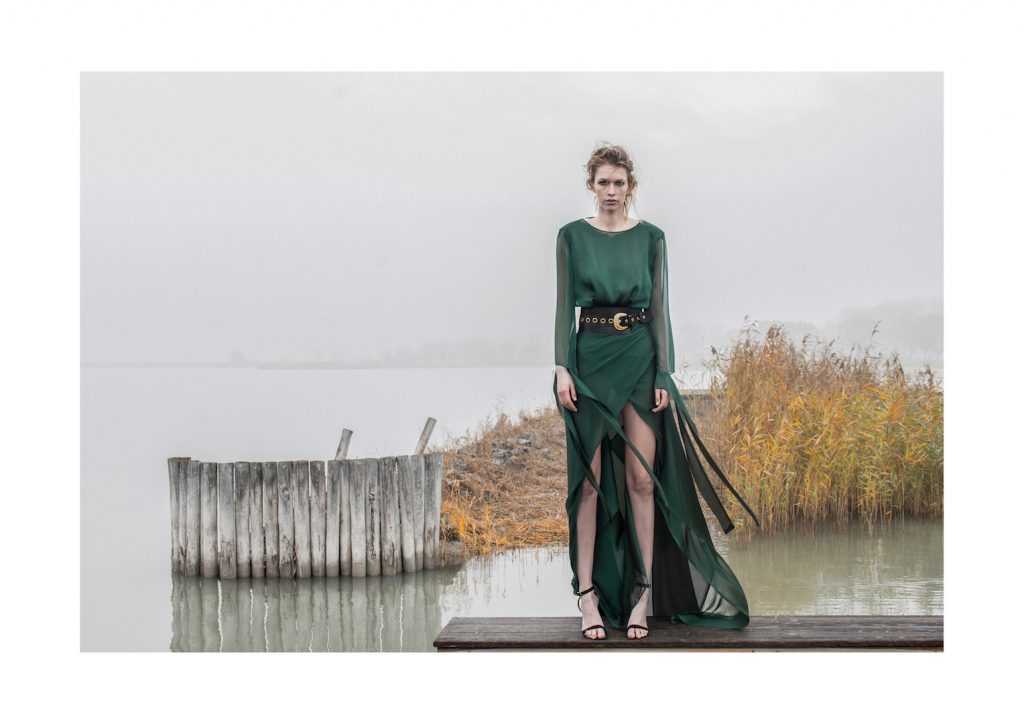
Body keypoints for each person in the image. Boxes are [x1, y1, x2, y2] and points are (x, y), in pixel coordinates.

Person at [553, 144, 761, 641]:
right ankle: (588, 596)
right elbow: (563, 307)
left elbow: (661, 307)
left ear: (631, 187)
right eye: (603, 182)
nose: (610, 191)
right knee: (588, 484)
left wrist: (664, 372)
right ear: (591, 186)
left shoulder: (652, 238)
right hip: (588, 360)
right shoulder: (571, 236)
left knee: (642, 481)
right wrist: (562, 367)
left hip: (640, 359)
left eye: (618, 182)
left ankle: (642, 594)